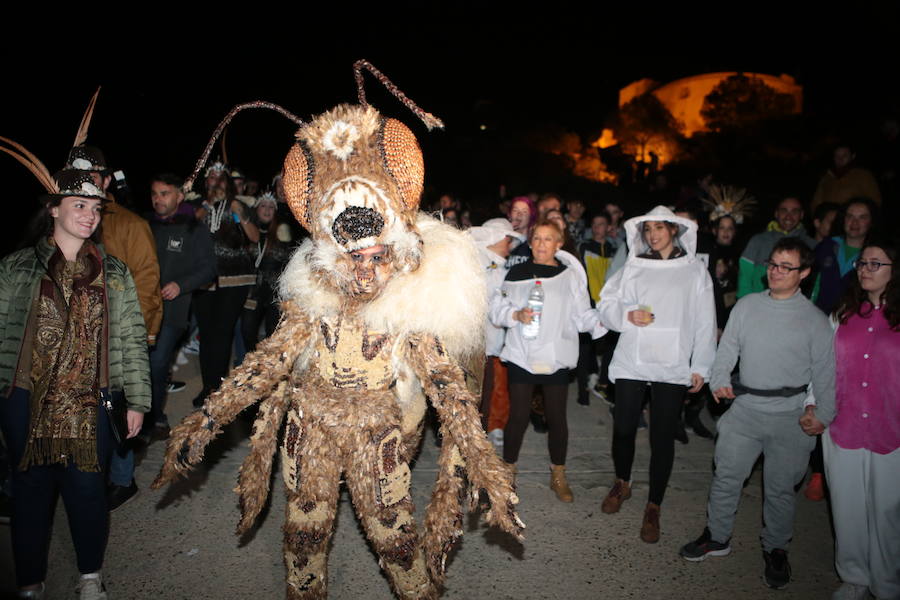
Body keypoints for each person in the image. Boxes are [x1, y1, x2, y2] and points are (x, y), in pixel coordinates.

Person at [0, 169, 150, 599]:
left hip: (92, 400)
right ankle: (30, 580)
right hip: (26, 398)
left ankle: (90, 577)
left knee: (88, 490)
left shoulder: (114, 271)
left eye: (96, 208)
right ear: (53, 210)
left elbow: (132, 340)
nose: (90, 216)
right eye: (79, 206)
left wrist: (136, 400)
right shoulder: (16, 266)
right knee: (30, 490)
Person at [679, 237, 835, 591]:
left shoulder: (814, 321)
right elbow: (727, 348)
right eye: (773, 264)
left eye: (786, 267)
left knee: (780, 489)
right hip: (745, 408)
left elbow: (826, 372)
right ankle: (716, 537)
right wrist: (718, 380)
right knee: (726, 476)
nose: (776, 272)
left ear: (805, 273)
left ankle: (776, 549)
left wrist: (823, 414)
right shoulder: (747, 306)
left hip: (790, 414)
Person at [597, 205, 716, 543]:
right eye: (647, 228)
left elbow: (706, 321)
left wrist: (700, 366)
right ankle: (623, 482)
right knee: (623, 429)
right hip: (634, 357)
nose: (652, 234)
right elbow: (606, 303)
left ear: (674, 230)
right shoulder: (634, 265)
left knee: (662, 436)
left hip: (672, 361)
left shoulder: (694, 270)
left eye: (658, 228)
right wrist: (627, 314)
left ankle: (654, 505)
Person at [64, 144, 161, 510]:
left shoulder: (129, 224)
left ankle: (121, 478)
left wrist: (146, 333)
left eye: (91, 178)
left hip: (117, 340)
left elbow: (148, 282)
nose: (84, 186)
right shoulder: (58, 222)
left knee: (117, 408)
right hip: (71, 341)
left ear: (105, 180)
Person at [490, 220, 606, 502]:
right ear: (531, 243)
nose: (541, 244)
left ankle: (558, 474)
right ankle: (508, 472)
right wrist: (515, 315)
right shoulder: (515, 273)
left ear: (559, 243)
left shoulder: (570, 277)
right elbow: (498, 309)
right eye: (537, 239)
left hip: (555, 356)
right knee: (518, 416)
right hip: (522, 355)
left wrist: (604, 322)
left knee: (556, 418)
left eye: (548, 239)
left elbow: (582, 314)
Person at [825, 241, 900, 600]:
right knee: (846, 505)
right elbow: (822, 369)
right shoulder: (842, 313)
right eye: (862, 262)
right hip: (845, 424)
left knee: (888, 511)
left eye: (876, 262)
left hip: (892, 426)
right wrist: (814, 405)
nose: (865, 269)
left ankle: (887, 583)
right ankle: (854, 576)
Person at [145, 173, 216, 439]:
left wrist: (181, 285)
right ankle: (143, 415)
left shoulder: (193, 228)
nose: (157, 199)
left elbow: (208, 268)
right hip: (143, 307)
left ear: (179, 195)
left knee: (158, 362)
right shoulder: (146, 224)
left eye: (164, 193)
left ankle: (155, 416)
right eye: (154, 194)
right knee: (141, 364)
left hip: (172, 312)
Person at [242, 192, 293, 352]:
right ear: (256, 209)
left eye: (271, 207)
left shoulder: (282, 232)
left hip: (274, 291)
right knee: (247, 331)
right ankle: (251, 366)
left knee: (273, 333)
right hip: (252, 291)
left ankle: (269, 371)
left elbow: (288, 259)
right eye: (263, 205)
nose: (267, 210)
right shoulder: (247, 231)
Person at [737, 196, 815, 298]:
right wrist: (745, 304)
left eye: (794, 212)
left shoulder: (811, 245)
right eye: (784, 211)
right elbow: (744, 279)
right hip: (758, 306)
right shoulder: (758, 241)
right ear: (776, 213)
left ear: (802, 215)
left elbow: (815, 285)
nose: (788, 216)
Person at [812, 198, 877, 315]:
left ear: (871, 222)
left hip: (853, 321)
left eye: (862, 217)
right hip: (816, 318)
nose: (854, 222)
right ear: (843, 219)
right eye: (850, 216)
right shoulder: (826, 247)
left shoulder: (877, 257)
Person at [812, 144, 882, 212]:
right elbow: (816, 202)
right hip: (830, 221)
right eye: (837, 156)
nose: (840, 159)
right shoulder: (826, 178)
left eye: (845, 155)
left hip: (853, 220)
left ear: (852, 156)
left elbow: (875, 200)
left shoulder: (863, 175)